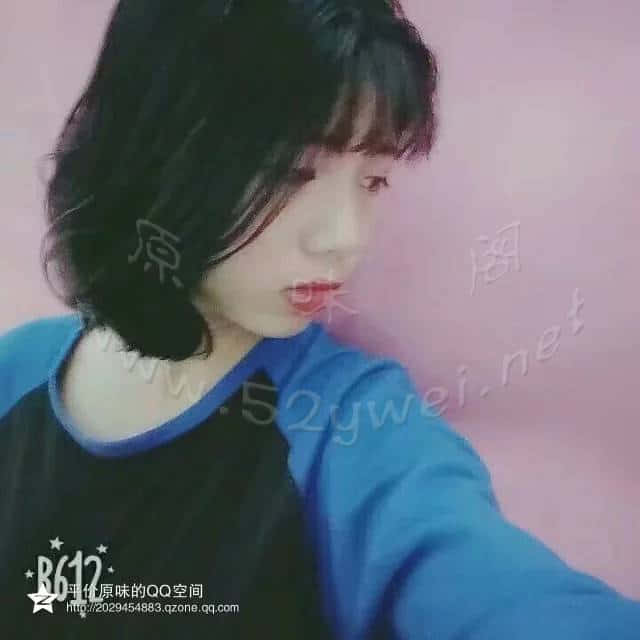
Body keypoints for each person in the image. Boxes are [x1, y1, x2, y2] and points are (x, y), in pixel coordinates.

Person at [0, 1, 639, 638]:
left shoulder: (347, 423)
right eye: (290, 172)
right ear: (157, 148)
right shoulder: (16, 371)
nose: (344, 239)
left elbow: (490, 586)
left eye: (374, 180)